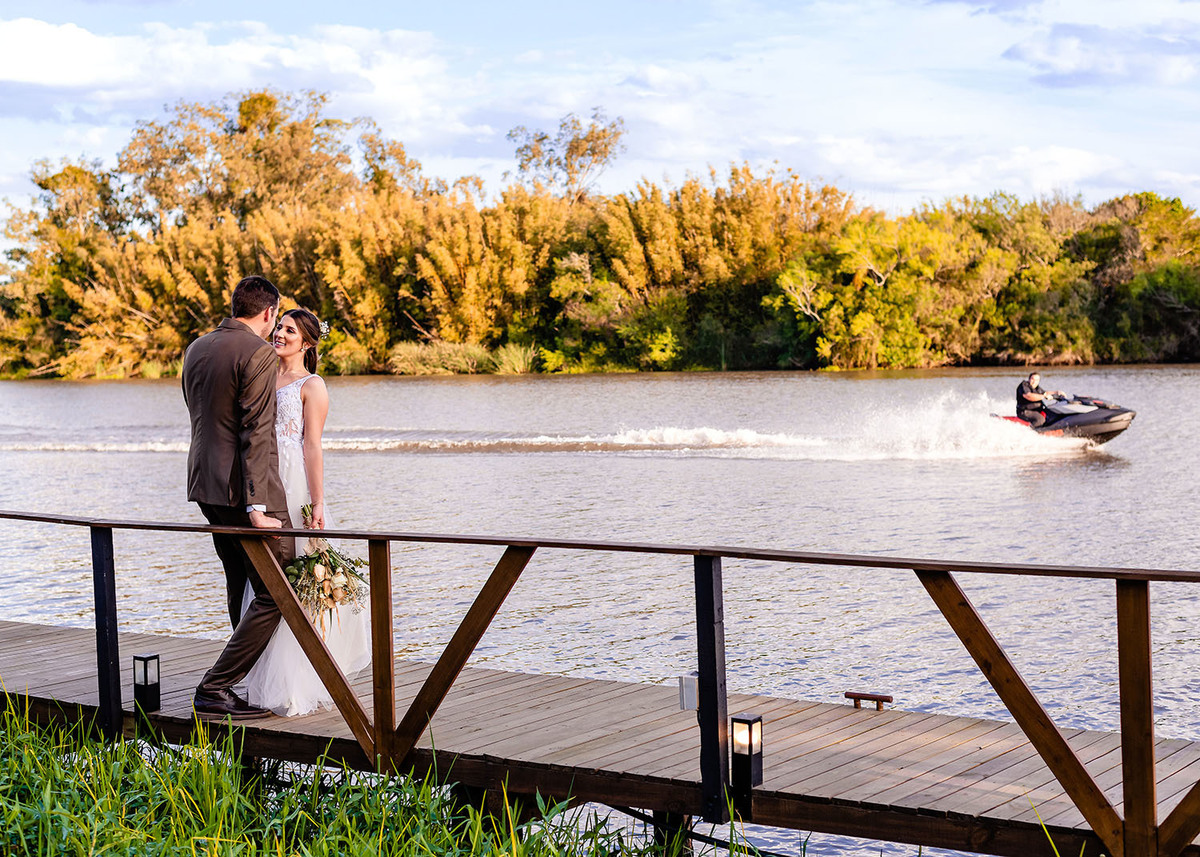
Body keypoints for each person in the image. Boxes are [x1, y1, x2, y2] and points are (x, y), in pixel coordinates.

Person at [240, 308, 370, 716]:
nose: (279, 334)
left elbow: (312, 446)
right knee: (269, 580)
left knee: (301, 576)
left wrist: (317, 503)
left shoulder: (312, 386)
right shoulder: (262, 374)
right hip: (264, 482)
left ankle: (301, 680)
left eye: (289, 330)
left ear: (307, 342)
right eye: (279, 327)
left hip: (294, 484)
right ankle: (267, 675)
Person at [183, 275, 293, 721]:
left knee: (238, 578)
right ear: (268, 313)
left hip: (204, 482)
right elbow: (255, 429)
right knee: (279, 588)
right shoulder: (258, 352)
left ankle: (241, 680)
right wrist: (257, 507)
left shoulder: (197, 347)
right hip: (240, 489)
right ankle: (216, 687)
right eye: (276, 319)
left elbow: (202, 415)